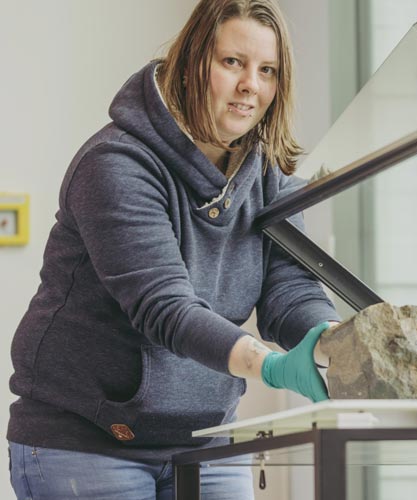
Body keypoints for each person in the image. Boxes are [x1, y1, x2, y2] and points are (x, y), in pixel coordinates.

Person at [7, 0, 340, 498]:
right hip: (88, 441)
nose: (251, 84)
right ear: (192, 64)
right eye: (232, 62)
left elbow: (289, 289)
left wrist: (330, 338)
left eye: (267, 70)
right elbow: (163, 306)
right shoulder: (116, 163)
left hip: (205, 439)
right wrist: (268, 365)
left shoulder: (271, 176)